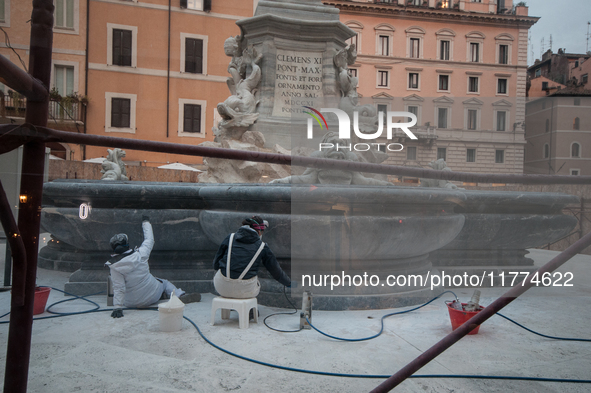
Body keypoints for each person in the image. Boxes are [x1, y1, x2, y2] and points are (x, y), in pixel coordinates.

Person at [106, 215, 201, 318]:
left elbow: (119, 288)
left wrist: (117, 308)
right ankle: (178, 295)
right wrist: (146, 222)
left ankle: (164, 294)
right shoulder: (141, 253)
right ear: (127, 244)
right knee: (164, 283)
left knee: (136, 286)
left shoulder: (114, 266)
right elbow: (149, 239)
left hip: (130, 303)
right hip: (152, 295)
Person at [213, 216, 291, 299]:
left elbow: (216, 264)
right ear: (260, 231)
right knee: (255, 280)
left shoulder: (230, 238)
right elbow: (275, 271)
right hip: (246, 290)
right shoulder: (262, 246)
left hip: (222, 288)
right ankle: (250, 310)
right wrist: (289, 283)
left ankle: (229, 306)